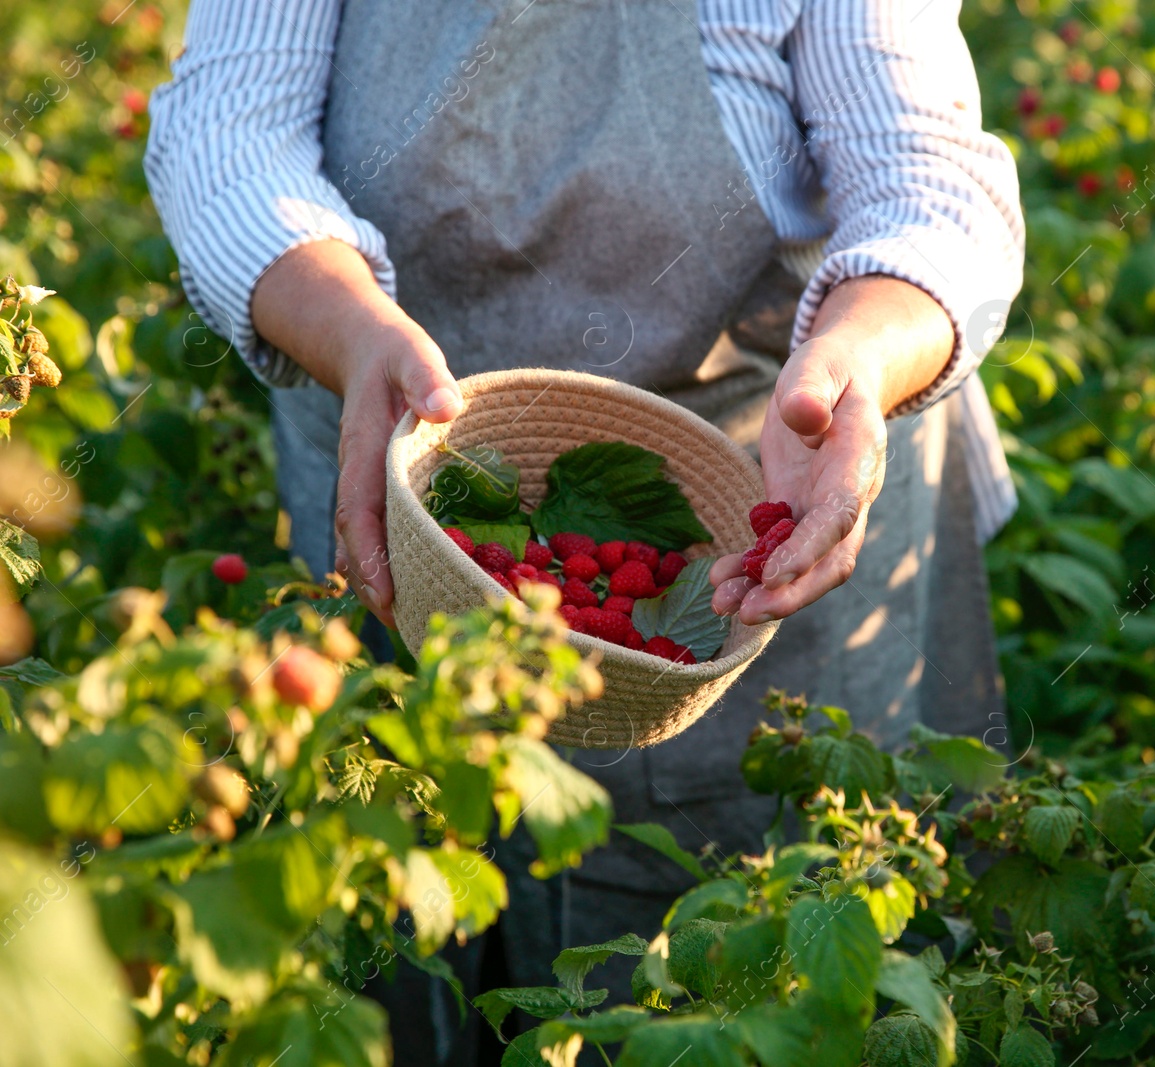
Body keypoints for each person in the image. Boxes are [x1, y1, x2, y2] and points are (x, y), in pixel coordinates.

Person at [146, 0, 1022, 1060]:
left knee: (730, 952)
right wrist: (353, 331)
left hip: (750, 487)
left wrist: (857, 362)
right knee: (406, 903)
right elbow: (228, 130)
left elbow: (929, 181)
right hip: (403, 450)